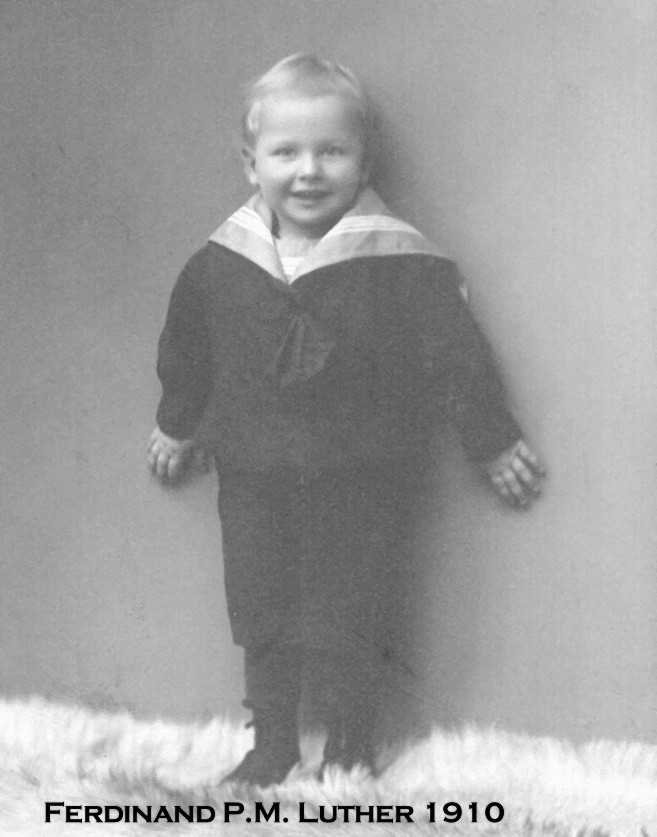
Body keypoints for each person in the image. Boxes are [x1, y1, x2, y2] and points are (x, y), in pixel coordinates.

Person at [147, 53, 545, 787]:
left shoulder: (402, 262)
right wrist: (178, 422)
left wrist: (492, 440)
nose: (308, 171)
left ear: (364, 162)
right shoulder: (219, 264)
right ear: (250, 163)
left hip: (361, 475)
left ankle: (350, 744)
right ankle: (271, 742)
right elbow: (187, 347)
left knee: (352, 609)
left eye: (331, 151)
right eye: (285, 152)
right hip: (254, 473)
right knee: (260, 607)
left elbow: (456, 355)